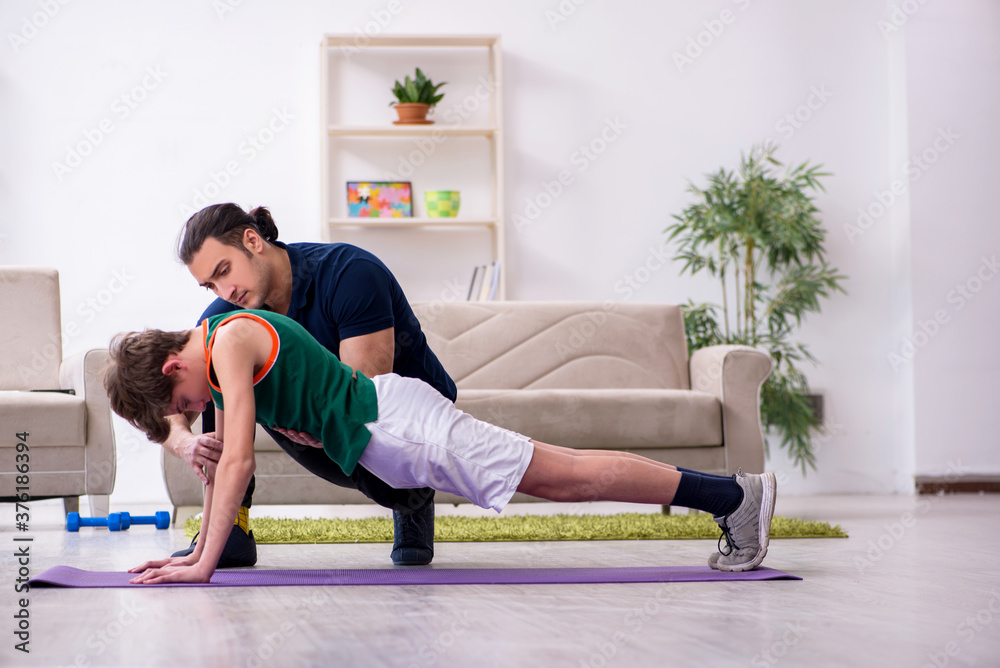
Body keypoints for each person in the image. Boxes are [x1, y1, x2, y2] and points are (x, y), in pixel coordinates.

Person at [104, 309, 778, 585]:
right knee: (560, 478)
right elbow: (226, 458)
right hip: (392, 434)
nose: (196, 413)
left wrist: (202, 566)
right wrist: (198, 547)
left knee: (566, 479)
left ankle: (733, 497)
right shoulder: (216, 337)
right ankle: (729, 497)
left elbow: (242, 460)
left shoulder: (226, 341)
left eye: (185, 405)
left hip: (403, 428)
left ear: (172, 368)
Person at [161, 203, 451, 567]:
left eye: (225, 271)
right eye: (211, 285)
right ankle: (232, 527)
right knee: (214, 371)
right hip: (319, 417)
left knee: (398, 477)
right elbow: (170, 410)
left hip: (400, 416)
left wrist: (305, 420)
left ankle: (413, 498)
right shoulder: (223, 318)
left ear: (252, 240)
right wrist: (187, 444)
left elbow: (363, 398)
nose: (225, 290)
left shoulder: (351, 273)